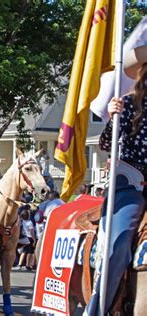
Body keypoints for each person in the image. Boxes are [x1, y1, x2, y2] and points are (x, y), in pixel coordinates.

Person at [84, 45, 147, 315]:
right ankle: (96, 309)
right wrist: (113, 117)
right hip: (131, 183)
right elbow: (106, 143)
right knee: (119, 243)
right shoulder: (129, 103)